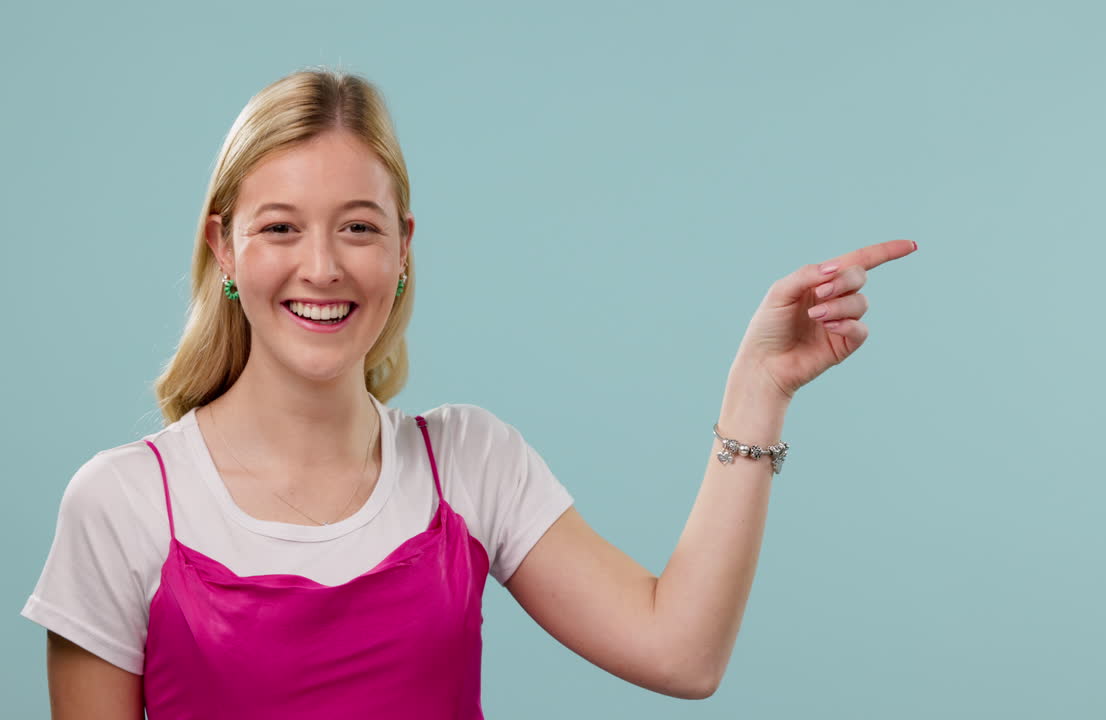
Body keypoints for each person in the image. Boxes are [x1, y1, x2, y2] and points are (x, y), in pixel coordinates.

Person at [20, 66, 917, 719]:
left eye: (358, 228)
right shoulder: (122, 505)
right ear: (223, 247)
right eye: (281, 228)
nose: (322, 268)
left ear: (403, 248)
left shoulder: (469, 462)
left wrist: (759, 389)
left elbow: (681, 652)